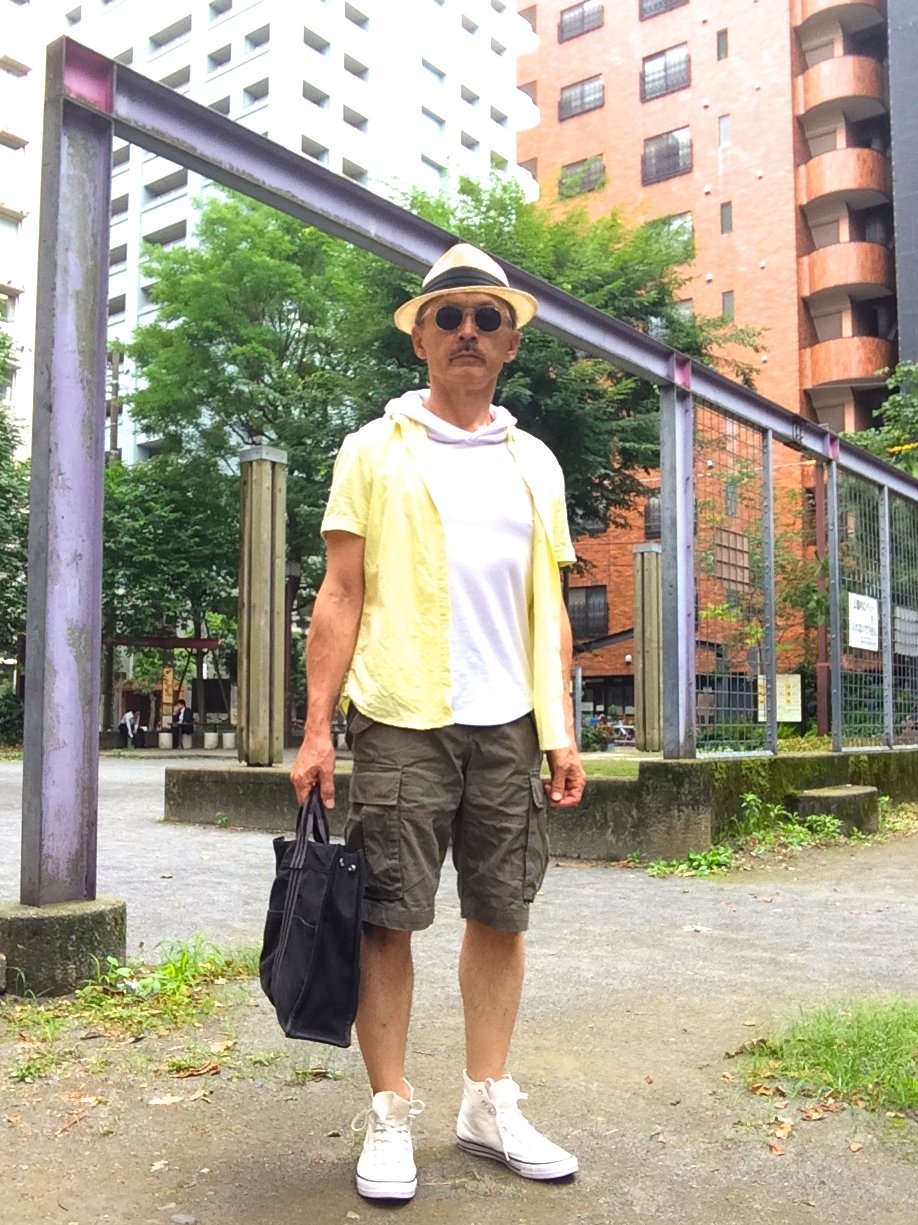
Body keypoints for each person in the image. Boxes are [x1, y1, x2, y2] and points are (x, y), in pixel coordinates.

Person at [290, 242, 586, 1203]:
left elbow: (550, 602)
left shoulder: (534, 462)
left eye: (486, 317)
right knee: (388, 916)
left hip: (510, 721)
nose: (467, 330)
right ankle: (389, 1108)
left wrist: (560, 727)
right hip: (401, 715)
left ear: (509, 343)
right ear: (418, 338)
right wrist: (317, 727)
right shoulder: (373, 449)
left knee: (502, 911)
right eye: (447, 316)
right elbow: (340, 592)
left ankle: (487, 1099)